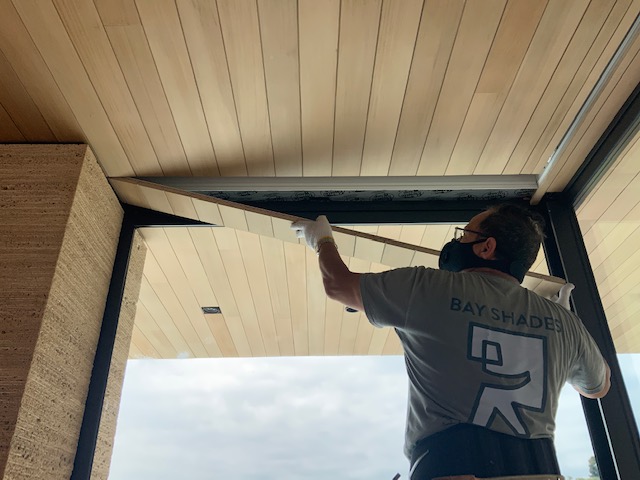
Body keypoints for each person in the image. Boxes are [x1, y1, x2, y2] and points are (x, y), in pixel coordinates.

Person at [291, 203, 611, 480]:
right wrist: (563, 336)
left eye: (464, 235)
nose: (457, 241)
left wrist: (322, 240)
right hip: (539, 471)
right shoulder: (564, 323)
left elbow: (338, 285)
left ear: (486, 247)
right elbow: (597, 388)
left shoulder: (429, 286)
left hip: (452, 466)